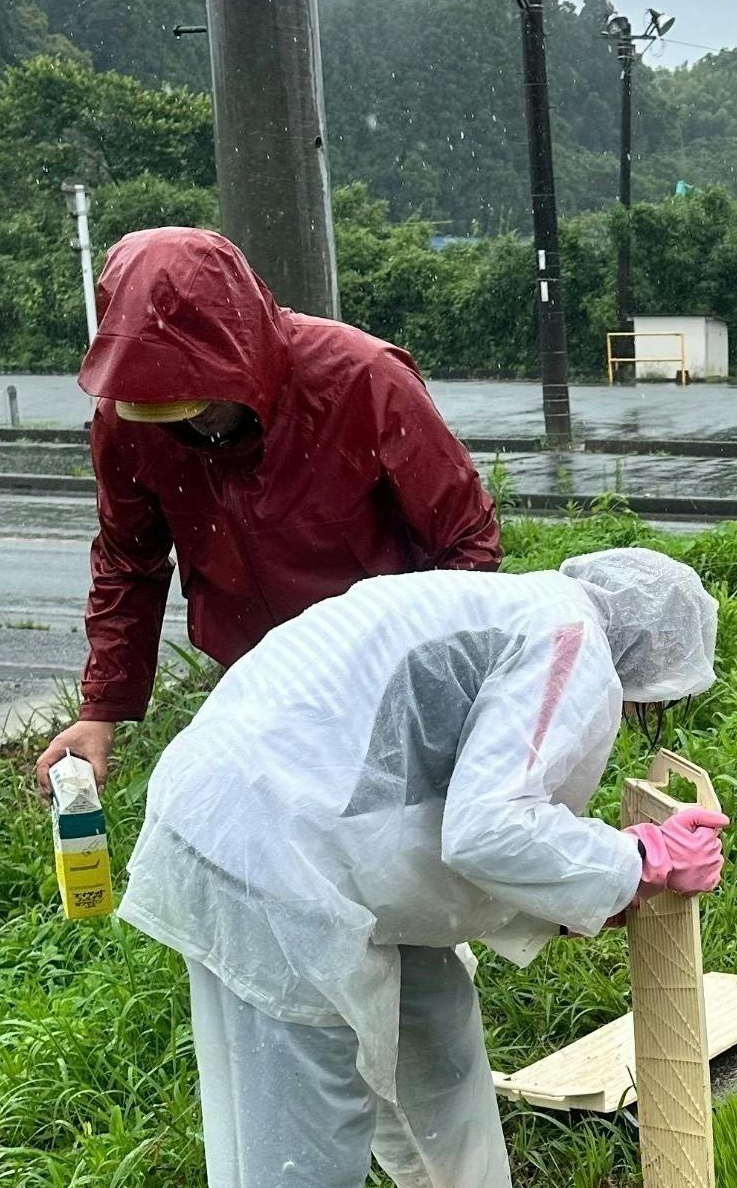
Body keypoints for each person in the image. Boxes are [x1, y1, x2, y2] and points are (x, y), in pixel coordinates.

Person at [118, 548, 724, 1188]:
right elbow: (489, 829)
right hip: (270, 855)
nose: (643, 714)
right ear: (653, 658)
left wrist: (599, 875)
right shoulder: (573, 644)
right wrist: (632, 862)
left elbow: (436, 802)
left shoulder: (526, 612)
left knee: (434, 1028)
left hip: (291, 814)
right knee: (298, 1136)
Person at [35, 226, 502, 795]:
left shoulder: (362, 379)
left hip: (384, 673)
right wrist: (100, 709)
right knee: (276, 847)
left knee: (398, 847)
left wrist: (423, 677)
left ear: (239, 350)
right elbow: (128, 562)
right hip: (255, 678)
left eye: (197, 402)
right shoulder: (130, 420)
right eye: (162, 410)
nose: (185, 426)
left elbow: (468, 540)